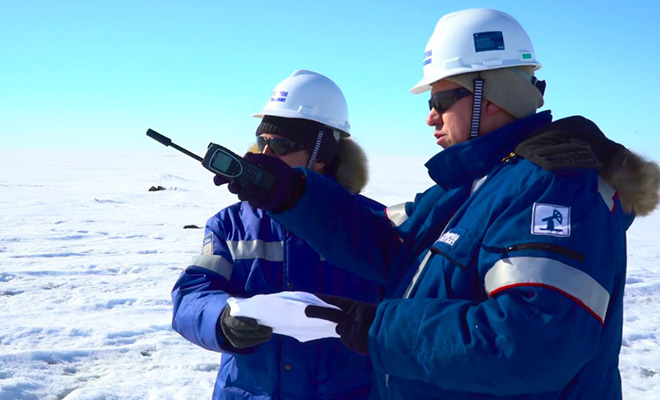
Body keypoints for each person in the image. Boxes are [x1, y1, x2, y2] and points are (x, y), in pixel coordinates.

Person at [215, 8, 660, 400]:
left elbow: (532, 339)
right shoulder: (471, 185)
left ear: (493, 93)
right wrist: (290, 193)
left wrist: (380, 328)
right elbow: (388, 243)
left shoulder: (554, 187)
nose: (430, 114)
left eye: (440, 99)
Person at [171, 69, 384, 399]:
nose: (265, 156)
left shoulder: (373, 222)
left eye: (282, 145)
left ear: (322, 154)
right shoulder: (229, 225)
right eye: (262, 142)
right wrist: (220, 319)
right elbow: (191, 294)